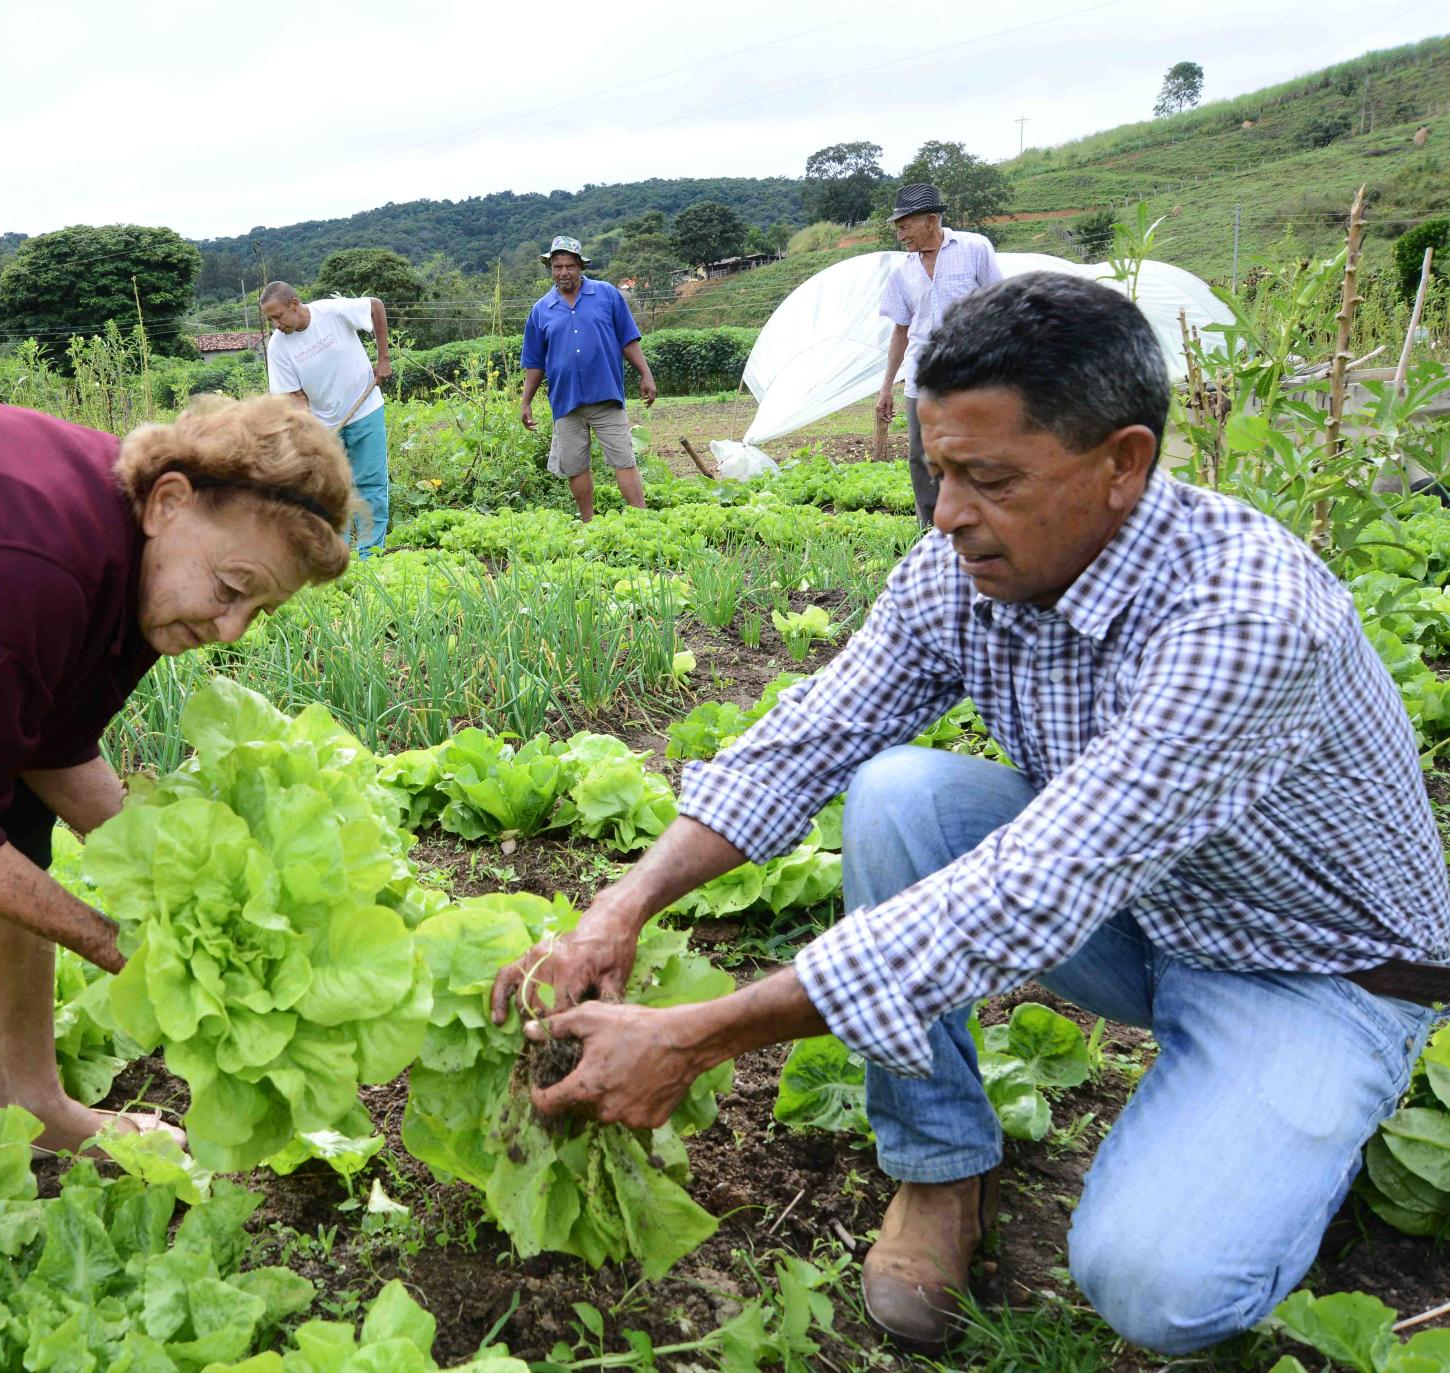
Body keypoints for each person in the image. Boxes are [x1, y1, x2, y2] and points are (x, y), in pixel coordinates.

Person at [492, 274, 1450, 1357]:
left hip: (1312, 964)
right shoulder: (966, 566)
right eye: (938, 469)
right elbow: (809, 734)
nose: (948, 513)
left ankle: (1296, 1122)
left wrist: (694, 1038)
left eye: (987, 477)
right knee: (901, 789)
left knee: (1158, 1285)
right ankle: (942, 1169)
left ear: (1122, 464)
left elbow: (1033, 887)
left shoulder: (1245, 615)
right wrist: (618, 908)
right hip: (1147, 911)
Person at [0, 395, 353, 1154]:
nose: (229, 629)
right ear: (170, 500)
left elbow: (47, 745)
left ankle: (30, 1103)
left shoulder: (141, 556)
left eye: (255, 610)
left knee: (14, 818)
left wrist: (188, 883)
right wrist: (118, 942)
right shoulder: (30, 563)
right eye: (230, 588)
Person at [874, 183, 1002, 527]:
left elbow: (999, 308)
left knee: (973, 451)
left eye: (905, 226)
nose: (900, 235)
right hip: (921, 377)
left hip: (970, 376)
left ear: (931, 220)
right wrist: (887, 387)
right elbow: (900, 331)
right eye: (898, 228)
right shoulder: (903, 271)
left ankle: (978, 525)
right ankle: (929, 532)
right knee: (921, 456)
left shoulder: (975, 249)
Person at [520, 236, 658, 522]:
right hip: (566, 401)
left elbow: (628, 340)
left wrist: (646, 374)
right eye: (557, 266)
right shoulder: (540, 310)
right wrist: (526, 401)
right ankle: (588, 523)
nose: (563, 272)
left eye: (570, 265)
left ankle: (642, 521)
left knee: (624, 459)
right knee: (575, 466)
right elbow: (534, 362)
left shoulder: (606, 295)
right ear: (551, 269)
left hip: (605, 396)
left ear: (581, 266)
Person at [262, 281, 392, 556]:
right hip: (324, 425)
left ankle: (372, 556)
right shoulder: (277, 348)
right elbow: (295, 397)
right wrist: (309, 435)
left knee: (371, 484)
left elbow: (375, 306)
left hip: (366, 409)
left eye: (278, 316)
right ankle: (338, 557)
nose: (275, 324)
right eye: (270, 319)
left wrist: (383, 358)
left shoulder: (331, 312)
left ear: (294, 304)